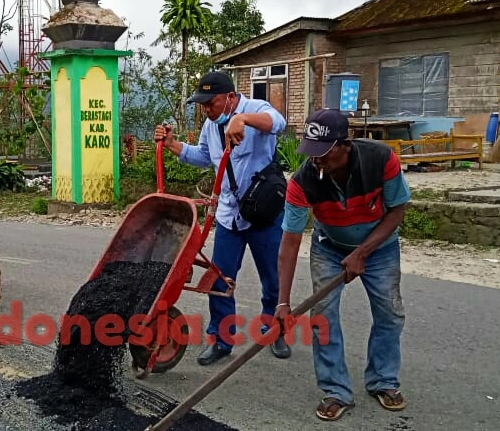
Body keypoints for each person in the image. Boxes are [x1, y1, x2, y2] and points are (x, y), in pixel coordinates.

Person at [275, 108, 411, 422]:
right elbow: (290, 242)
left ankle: (383, 379)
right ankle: (336, 389)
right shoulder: (302, 181)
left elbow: (397, 212)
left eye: (323, 153)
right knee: (322, 315)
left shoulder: (381, 160)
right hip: (329, 248)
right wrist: (283, 302)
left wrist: (363, 252)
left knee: (390, 312)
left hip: (379, 248)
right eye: (311, 153)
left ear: (344, 146)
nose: (316, 160)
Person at [152, 70, 290, 365]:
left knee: (273, 279)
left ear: (229, 98)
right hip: (229, 216)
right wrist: (173, 144)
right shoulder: (211, 124)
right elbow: (204, 156)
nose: (206, 109)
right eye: (202, 104)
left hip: (263, 212)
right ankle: (221, 340)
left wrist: (243, 120)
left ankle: (274, 329)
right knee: (218, 279)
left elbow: (278, 123)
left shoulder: (254, 109)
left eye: (210, 103)